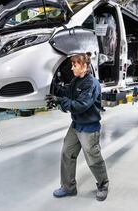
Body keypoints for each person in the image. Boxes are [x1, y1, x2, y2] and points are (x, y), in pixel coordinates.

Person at [46, 53, 109, 201]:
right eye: (72, 65)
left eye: (75, 65)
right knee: (67, 153)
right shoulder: (76, 81)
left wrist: (60, 100)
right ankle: (68, 187)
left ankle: (103, 184)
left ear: (85, 67)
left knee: (93, 158)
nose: (72, 68)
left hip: (89, 127)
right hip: (76, 125)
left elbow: (81, 105)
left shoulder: (91, 84)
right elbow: (68, 92)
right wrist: (54, 89)